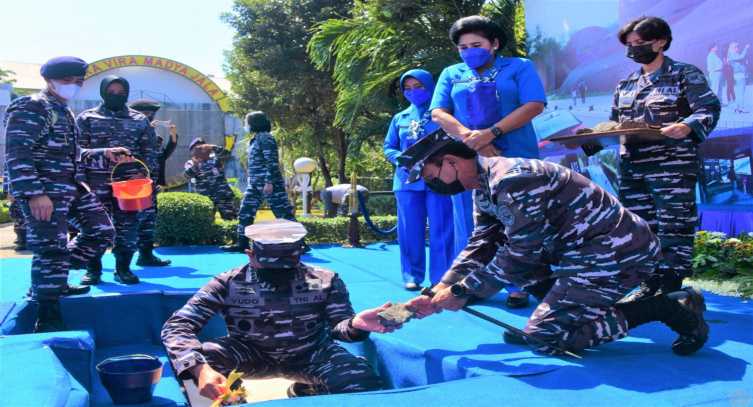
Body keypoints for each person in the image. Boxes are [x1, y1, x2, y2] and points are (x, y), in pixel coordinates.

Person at [401, 130, 709, 356]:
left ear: (452, 161)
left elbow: (521, 254)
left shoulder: (512, 179)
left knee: (544, 337)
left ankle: (665, 308)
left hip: (619, 252)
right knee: (528, 284)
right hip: (582, 253)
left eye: (432, 176)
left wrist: (463, 292)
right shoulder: (484, 186)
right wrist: (441, 288)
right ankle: (565, 310)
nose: (434, 185)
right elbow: (483, 243)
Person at [161, 219, 392, 399]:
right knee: (196, 364)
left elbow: (339, 328)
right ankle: (227, 399)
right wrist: (201, 370)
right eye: (269, 270)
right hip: (251, 354)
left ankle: (311, 392)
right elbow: (177, 325)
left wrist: (355, 325)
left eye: (286, 270)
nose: (279, 278)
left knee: (360, 378)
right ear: (251, 256)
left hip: (311, 354)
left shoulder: (323, 279)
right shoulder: (229, 282)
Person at [4, 56, 128, 331]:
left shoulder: (62, 109)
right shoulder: (32, 106)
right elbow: (17, 152)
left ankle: (54, 278)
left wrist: (104, 155)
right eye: (66, 81)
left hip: (71, 187)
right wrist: (34, 193)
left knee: (102, 232)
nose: (72, 86)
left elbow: (71, 156)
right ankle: (47, 313)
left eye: (77, 82)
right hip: (44, 193)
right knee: (50, 248)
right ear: (49, 81)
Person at [430, 15, 546, 307]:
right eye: (463, 47)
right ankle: (473, 283)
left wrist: (492, 133)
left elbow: (534, 104)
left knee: (520, 222)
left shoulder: (519, 67)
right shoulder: (451, 73)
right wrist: (472, 138)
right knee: (484, 223)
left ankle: (521, 285)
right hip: (474, 160)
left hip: (517, 157)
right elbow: (438, 113)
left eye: (476, 44)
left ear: (494, 44)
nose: (469, 51)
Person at [598, 17, 720, 297]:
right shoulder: (626, 84)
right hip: (633, 167)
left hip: (671, 166)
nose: (634, 49)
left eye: (640, 43)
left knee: (674, 223)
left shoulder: (683, 74)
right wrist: (587, 139)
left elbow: (708, 108)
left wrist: (687, 125)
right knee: (639, 225)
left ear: (661, 41)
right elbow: (614, 125)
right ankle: (646, 279)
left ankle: (671, 280)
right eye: (630, 45)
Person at [76, 75, 159, 285]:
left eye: (121, 93)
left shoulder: (139, 120)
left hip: (130, 184)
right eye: (111, 92)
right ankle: (93, 270)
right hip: (95, 182)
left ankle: (123, 268)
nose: (116, 95)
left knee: (128, 227)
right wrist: (102, 154)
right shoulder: (87, 118)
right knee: (94, 227)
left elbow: (150, 153)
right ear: (103, 92)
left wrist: (148, 177)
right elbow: (76, 151)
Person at [384, 69, 454, 290]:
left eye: (419, 87)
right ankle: (411, 276)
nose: (413, 92)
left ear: (430, 86)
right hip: (407, 182)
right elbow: (389, 147)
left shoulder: (444, 115)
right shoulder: (399, 118)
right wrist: (402, 160)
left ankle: (440, 278)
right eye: (408, 88)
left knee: (442, 229)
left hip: (439, 179)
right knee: (409, 231)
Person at [224, 111, 297, 252]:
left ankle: (300, 243)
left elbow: (272, 162)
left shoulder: (265, 138)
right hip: (255, 184)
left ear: (254, 123)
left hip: (269, 184)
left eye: (247, 121)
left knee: (283, 213)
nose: (245, 125)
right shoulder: (256, 139)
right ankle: (242, 244)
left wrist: (269, 182)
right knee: (245, 211)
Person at [129, 99, 177, 267]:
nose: (149, 117)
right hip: (132, 186)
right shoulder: (129, 130)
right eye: (145, 113)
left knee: (148, 220)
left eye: (151, 114)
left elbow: (162, 155)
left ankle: (146, 255)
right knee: (129, 221)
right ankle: (121, 264)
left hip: (150, 186)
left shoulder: (154, 136)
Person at [184, 137, 237, 220]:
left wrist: (213, 147)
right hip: (206, 198)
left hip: (222, 195)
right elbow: (187, 175)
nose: (200, 150)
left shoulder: (215, 158)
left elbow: (227, 154)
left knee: (231, 220)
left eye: (202, 147)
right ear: (192, 151)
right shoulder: (190, 163)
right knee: (206, 223)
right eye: (197, 149)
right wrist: (196, 165)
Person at [3, 163, 26, 250]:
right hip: (16, 189)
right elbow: (7, 173)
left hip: (33, 188)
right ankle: (22, 240)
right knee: (18, 216)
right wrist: (7, 191)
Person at [727, 42, 750, 113]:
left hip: (740, 75)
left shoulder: (734, 54)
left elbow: (741, 60)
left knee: (739, 92)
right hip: (739, 75)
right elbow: (741, 57)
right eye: (736, 47)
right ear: (732, 48)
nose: (737, 48)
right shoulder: (732, 55)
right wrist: (746, 48)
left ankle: (738, 107)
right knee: (741, 92)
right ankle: (741, 108)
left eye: (737, 47)